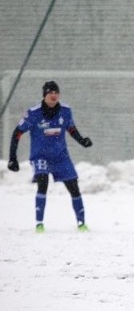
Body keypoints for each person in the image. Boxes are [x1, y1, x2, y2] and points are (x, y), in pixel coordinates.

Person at [7, 81, 93, 233]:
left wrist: (82, 141)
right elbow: (17, 133)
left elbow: (71, 129)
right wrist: (12, 157)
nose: (54, 95)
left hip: (61, 156)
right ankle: (39, 224)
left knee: (74, 187)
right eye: (50, 92)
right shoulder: (33, 113)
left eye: (56, 92)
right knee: (43, 182)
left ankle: (81, 224)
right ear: (44, 95)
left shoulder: (65, 111)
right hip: (40, 156)